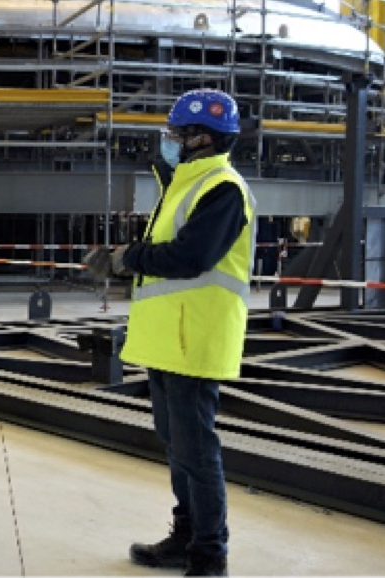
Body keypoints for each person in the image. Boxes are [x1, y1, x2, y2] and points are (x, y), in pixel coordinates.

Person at [84, 88, 253, 577]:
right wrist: (126, 258)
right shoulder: (184, 183)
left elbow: (189, 257)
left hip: (194, 339)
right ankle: (185, 537)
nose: (168, 142)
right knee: (178, 446)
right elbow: (163, 249)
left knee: (197, 452)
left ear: (201, 138)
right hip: (167, 339)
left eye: (175, 135)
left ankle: (209, 553)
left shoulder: (222, 188)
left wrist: (125, 260)